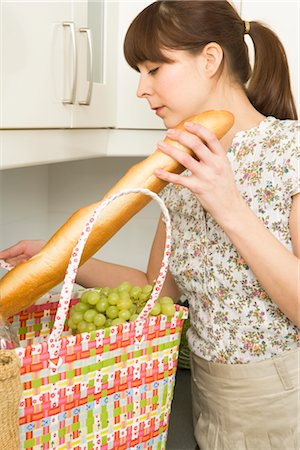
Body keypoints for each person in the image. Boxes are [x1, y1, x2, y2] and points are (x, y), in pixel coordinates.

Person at [0, 1, 299, 448]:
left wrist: (228, 204)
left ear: (211, 59)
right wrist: (60, 259)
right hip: (208, 398)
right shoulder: (180, 169)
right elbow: (158, 291)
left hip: (283, 400)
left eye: (154, 68)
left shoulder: (289, 153)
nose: (141, 89)